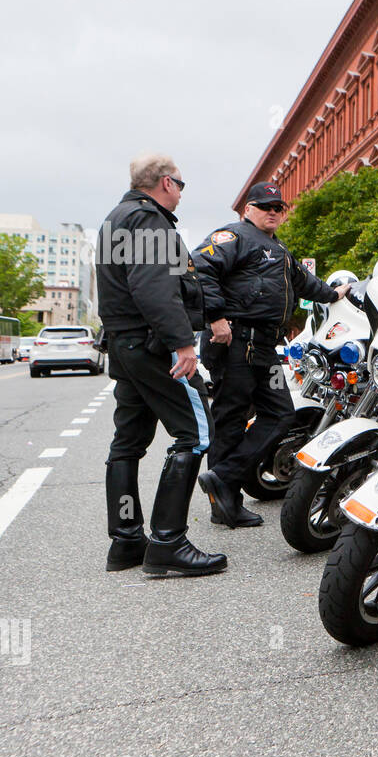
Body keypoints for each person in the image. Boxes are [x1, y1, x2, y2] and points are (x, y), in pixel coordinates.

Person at [96, 153, 227, 577]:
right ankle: (168, 541)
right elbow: (154, 289)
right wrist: (183, 344)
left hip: (124, 344)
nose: (182, 192)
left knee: (128, 441)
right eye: (182, 184)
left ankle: (127, 540)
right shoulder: (149, 220)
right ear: (166, 182)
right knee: (195, 432)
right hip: (152, 344)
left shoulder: (116, 218)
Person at [193, 181, 352, 528]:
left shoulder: (278, 249)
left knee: (280, 413)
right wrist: (216, 317)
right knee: (231, 419)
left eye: (278, 207)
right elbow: (199, 268)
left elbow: (306, 283)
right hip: (235, 340)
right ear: (247, 209)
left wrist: (336, 294)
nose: (272, 211)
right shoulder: (233, 236)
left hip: (264, 346)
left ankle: (223, 479)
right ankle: (225, 503)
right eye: (265, 206)